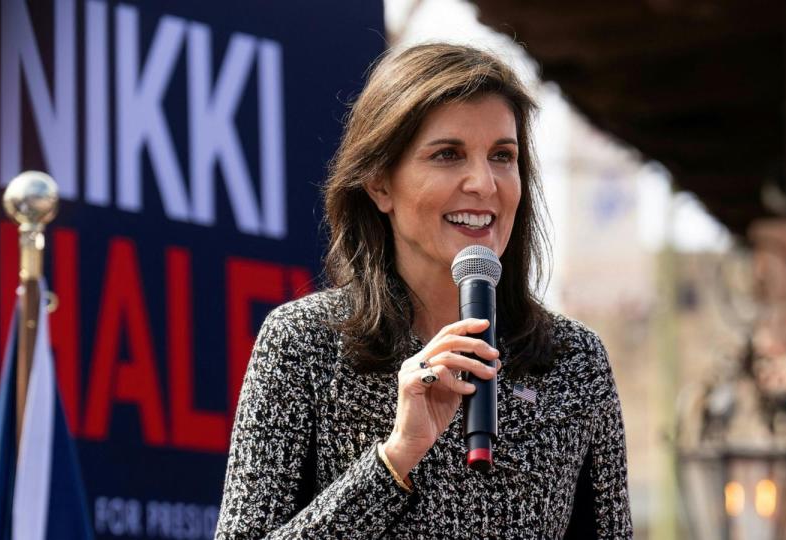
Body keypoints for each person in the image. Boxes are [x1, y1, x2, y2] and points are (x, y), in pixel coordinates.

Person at [214, 43, 633, 539]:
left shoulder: (574, 363)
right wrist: (394, 459)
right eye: (448, 154)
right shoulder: (303, 344)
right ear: (379, 183)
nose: (484, 182)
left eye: (503, 156)